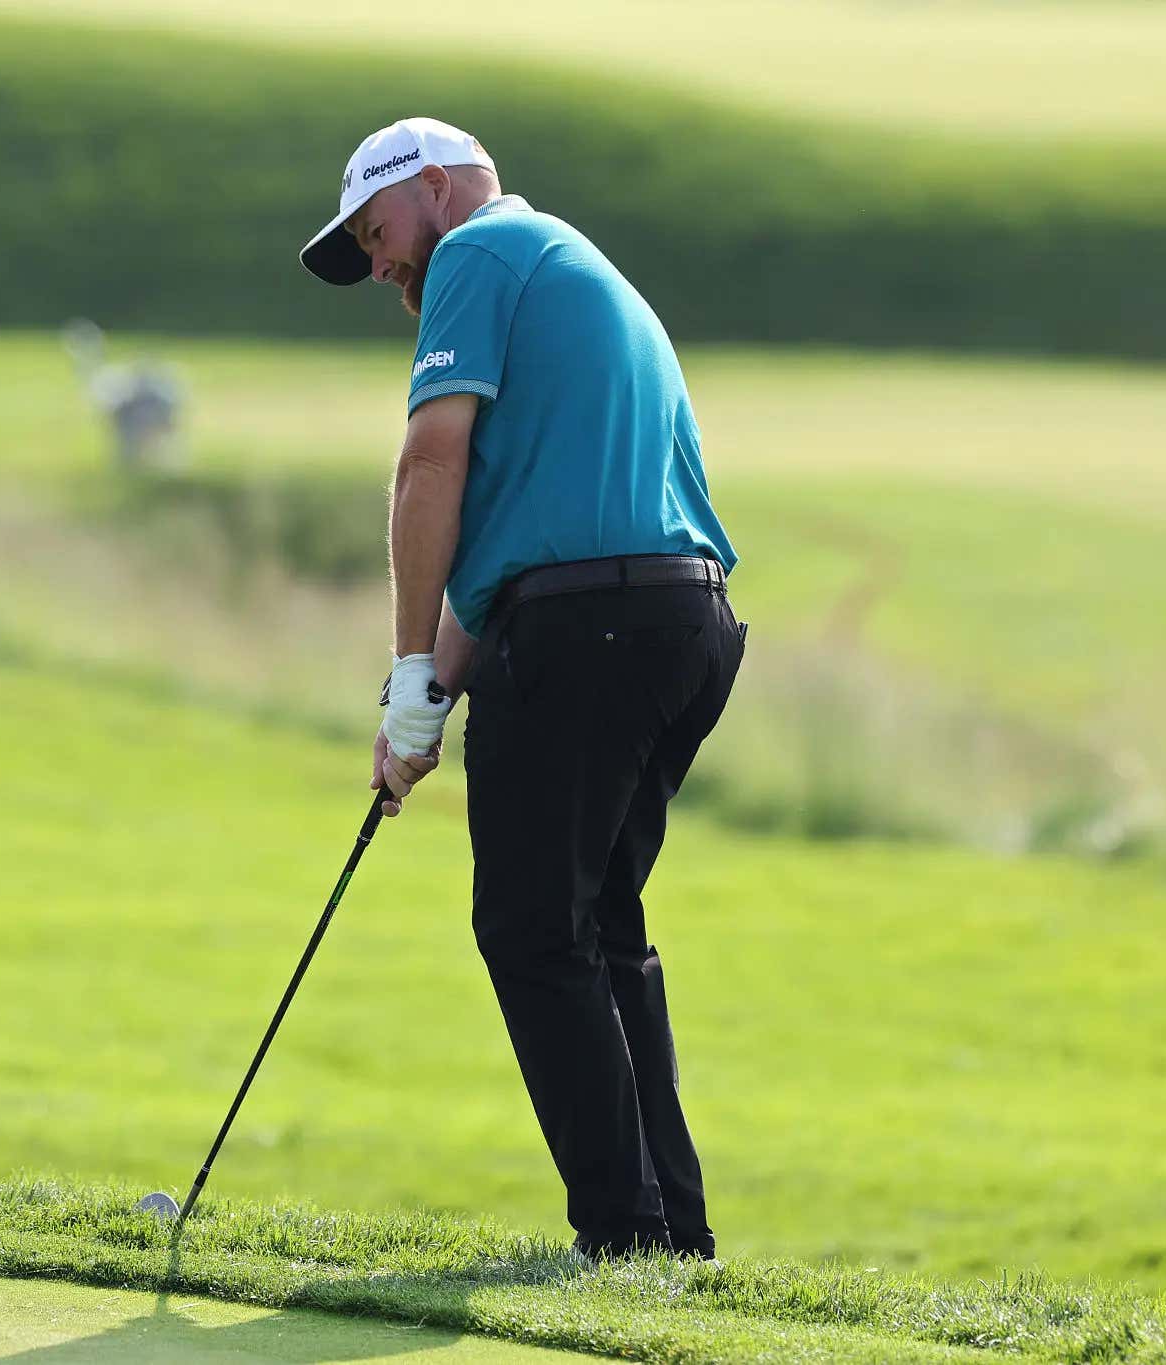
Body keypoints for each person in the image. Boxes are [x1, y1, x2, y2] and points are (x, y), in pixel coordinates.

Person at [299, 117, 745, 1260]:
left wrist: (407, 666)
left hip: (589, 628)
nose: (380, 266)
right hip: (676, 625)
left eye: (376, 232)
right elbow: (509, 554)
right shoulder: (559, 267)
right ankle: (667, 1236)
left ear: (434, 188)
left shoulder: (476, 250)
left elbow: (428, 466)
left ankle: (624, 1235)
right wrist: (421, 709)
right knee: (595, 925)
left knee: (529, 926)